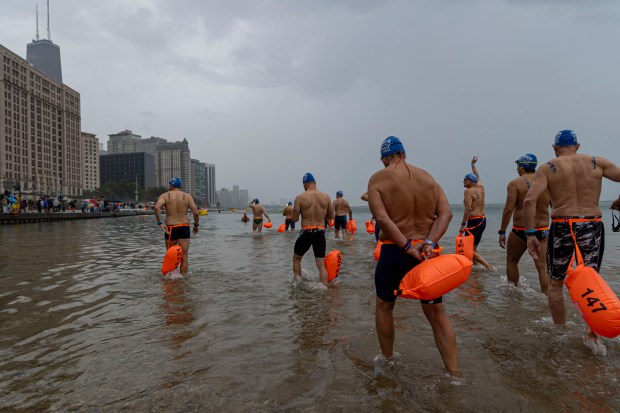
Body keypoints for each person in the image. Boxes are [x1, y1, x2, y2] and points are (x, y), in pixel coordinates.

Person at [368, 136, 459, 376]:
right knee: (436, 313)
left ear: (386, 157)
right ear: (404, 153)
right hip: (426, 254)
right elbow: (446, 215)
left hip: (395, 251)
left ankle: (387, 361)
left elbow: (383, 219)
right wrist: (428, 243)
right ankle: (454, 373)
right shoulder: (428, 178)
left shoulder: (378, 178)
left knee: (385, 306)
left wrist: (406, 245)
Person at [524, 130, 620, 354]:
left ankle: (560, 331)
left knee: (555, 283)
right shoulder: (598, 162)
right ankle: (592, 334)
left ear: (555, 148)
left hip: (562, 225)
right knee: (592, 279)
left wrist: (530, 234)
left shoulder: (548, 167)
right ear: (577, 146)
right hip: (592, 224)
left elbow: (530, 200)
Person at [498, 154, 550, 294]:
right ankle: (547, 300)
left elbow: (508, 209)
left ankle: (513, 294)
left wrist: (502, 230)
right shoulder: (546, 182)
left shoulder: (515, 183)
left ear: (521, 167)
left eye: (518, 166)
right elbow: (554, 205)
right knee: (543, 268)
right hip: (543, 229)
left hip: (521, 230)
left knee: (512, 262)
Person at [291, 173, 334, 285]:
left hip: (306, 232)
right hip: (320, 232)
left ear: (305, 184)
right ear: (315, 182)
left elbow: (294, 219)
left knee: (296, 259)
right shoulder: (326, 197)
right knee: (321, 264)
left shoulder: (300, 197)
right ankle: (323, 288)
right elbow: (330, 216)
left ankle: (297, 285)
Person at [154, 177, 200, 274]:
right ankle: (183, 280)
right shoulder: (187, 196)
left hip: (171, 228)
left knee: (170, 255)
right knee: (184, 256)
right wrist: (196, 225)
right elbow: (195, 212)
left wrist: (160, 223)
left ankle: (171, 279)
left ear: (171, 185)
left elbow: (157, 207)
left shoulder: (165, 195)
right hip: (184, 226)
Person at [459, 156, 493, 270]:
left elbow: (468, 208)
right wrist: (473, 165)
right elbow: (478, 177)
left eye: (464, 179)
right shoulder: (481, 188)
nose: (463, 181)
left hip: (473, 222)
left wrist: (463, 225)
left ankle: (490, 268)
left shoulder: (468, 192)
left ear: (469, 181)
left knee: (469, 250)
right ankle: (475, 268)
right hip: (482, 220)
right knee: (474, 248)